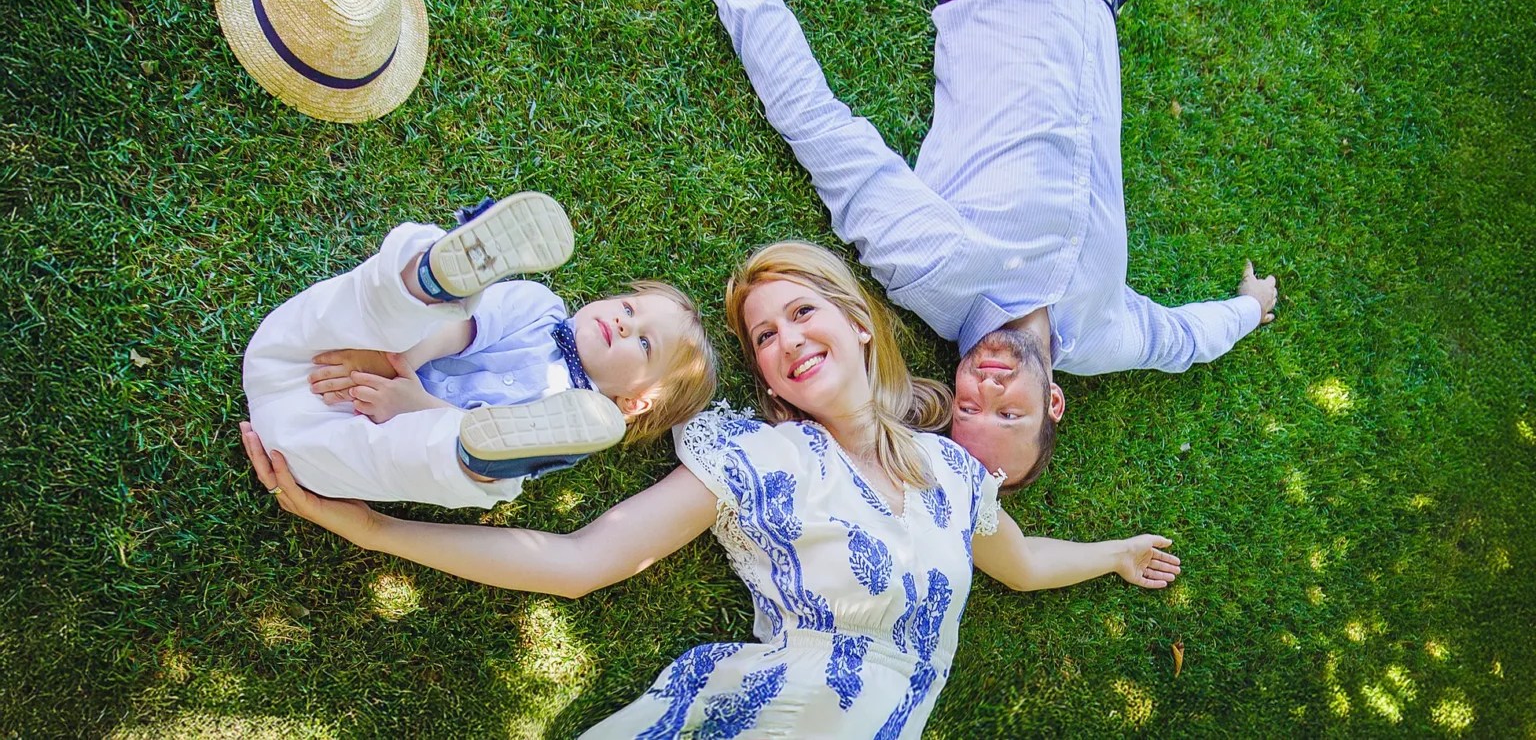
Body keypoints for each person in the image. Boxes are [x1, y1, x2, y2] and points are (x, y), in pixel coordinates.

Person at [242, 240, 1181, 738]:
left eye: (801, 312)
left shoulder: (954, 476)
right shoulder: (763, 461)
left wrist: (1115, 554)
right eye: (765, 339)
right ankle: (447, 352)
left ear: (857, 326)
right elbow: (582, 562)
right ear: (768, 385)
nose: (785, 342)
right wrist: (371, 532)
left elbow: (1015, 564)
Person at [635, 0, 1281, 493]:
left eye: (968, 404)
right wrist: (1250, 308)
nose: (986, 384)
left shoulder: (934, 271)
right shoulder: (1104, 336)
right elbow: (1183, 341)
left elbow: (810, 116)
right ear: (1053, 403)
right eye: (1008, 410)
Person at [243, 191, 717, 509]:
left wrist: (414, 408)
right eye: (630, 307)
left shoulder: (575, 422)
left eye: (644, 342)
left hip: (333, 440)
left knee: (440, 462)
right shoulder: (539, 308)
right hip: (328, 361)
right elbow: (459, 334)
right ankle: (428, 279)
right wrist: (394, 360)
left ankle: (480, 464)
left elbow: (479, 425)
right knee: (367, 313)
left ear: (635, 403)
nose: (623, 321)